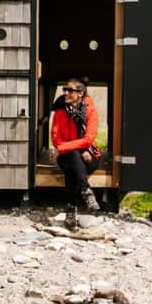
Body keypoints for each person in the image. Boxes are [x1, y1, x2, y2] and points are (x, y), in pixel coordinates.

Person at [50, 78, 102, 216]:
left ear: (80, 93)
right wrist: (75, 149)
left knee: (71, 167)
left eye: (70, 90)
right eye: (64, 89)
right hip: (67, 156)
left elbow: (88, 139)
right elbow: (56, 138)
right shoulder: (60, 112)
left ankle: (71, 207)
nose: (66, 93)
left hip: (90, 156)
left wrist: (63, 149)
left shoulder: (91, 112)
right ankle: (86, 192)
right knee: (73, 157)